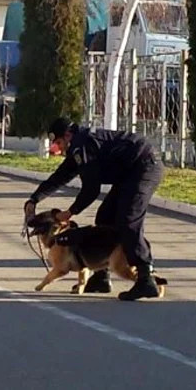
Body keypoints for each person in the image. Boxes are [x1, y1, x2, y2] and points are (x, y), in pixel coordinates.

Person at [24, 117, 165, 301]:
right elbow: (60, 176)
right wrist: (34, 199)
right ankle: (101, 277)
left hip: (145, 166)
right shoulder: (78, 147)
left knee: (128, 220)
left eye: (59, 142)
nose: (59, 147)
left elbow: (91, 189)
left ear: (68, 135)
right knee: (105, 217)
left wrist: (70, 212)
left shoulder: (83, 144)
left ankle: (146, 279)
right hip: (130, 173)